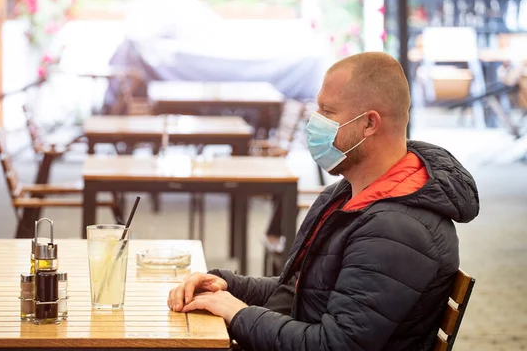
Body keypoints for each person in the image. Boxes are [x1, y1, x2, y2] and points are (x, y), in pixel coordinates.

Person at [167, 52, 479, 351]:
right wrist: (224, 285)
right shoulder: (347, 195)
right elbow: (302, 292)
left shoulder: (397, 230)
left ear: (370, 124)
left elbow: (333, 345)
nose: (315, 123)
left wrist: (236, 313)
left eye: (327, 112)